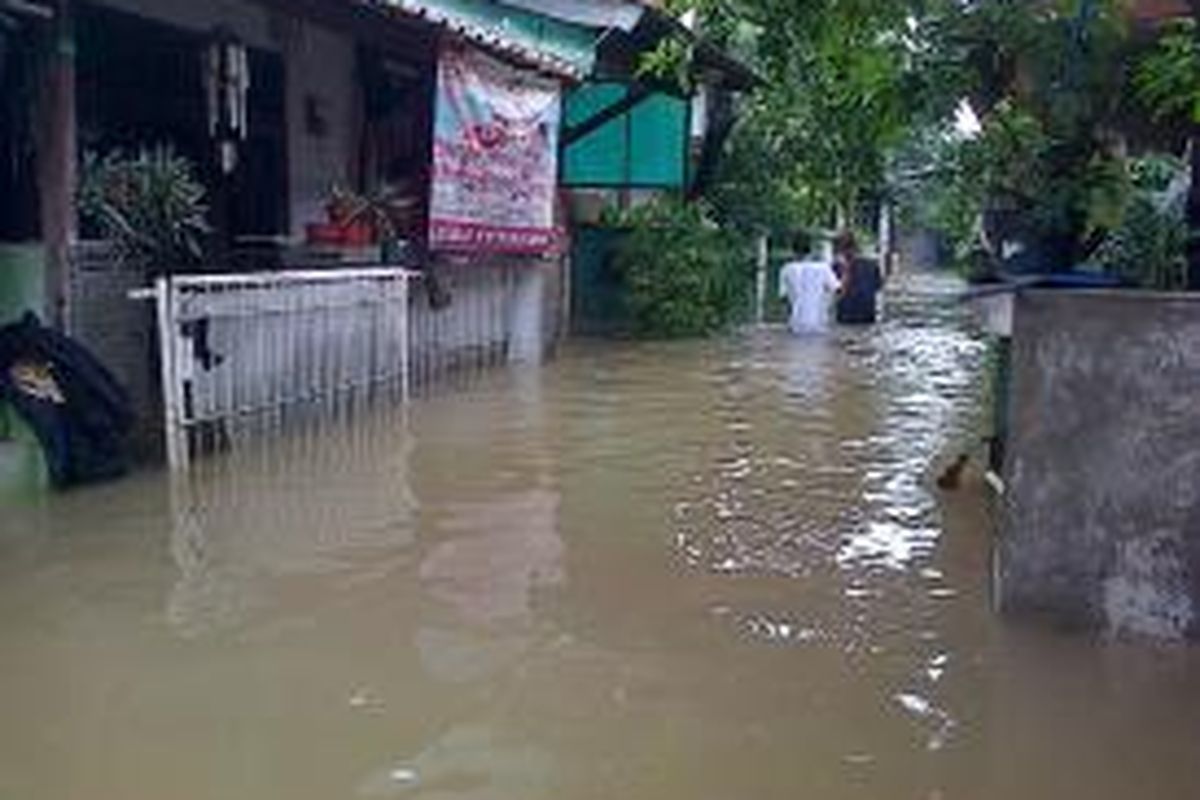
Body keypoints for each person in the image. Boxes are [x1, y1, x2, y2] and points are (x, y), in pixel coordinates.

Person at [779, 231, 841, 335]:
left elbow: (784, 301)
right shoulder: (823, 268)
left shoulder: (786, 269)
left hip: (797, 326)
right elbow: (838, 291)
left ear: (792, 249)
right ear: (810, 249)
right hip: (820, 325)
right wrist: (828, 306)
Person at [832, 230, 884, 326]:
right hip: (868, 315)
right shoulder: (872, 264)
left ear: (838, 249)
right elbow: (879, 286)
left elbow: (835, 290)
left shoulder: (837, 266)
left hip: (846, 317)